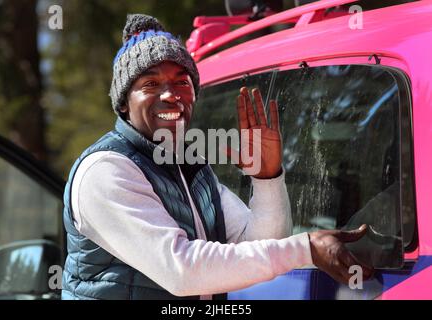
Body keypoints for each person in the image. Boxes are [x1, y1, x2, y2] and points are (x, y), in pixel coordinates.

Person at [61, 14, 373, 300]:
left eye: (182, 82)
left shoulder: (193, 168)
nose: (171, 94)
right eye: (151, 84)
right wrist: (306, 249)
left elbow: (260, 247)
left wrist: (266, 179)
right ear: (124, 104)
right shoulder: (105, 170)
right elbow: (182, 271)